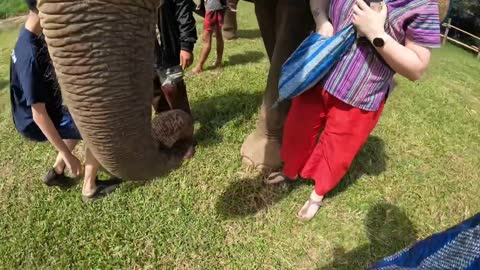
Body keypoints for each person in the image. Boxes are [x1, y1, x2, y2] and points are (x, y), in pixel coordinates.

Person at [266, 0, 441, 221]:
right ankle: (289, 171)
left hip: (361, 94)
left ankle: (317, 194)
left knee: (337, 151)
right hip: (319, 73)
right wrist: (321, 21)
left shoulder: (422, 6)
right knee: (296, 132)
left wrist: (375, 33)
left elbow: (416, 69)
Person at [9, 0, 120, 202]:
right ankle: (89, 188)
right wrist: (68, 155)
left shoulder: (28, 38)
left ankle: (56, 172)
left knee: (78, 118)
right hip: (34, 121)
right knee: (97, 125)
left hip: (33, 114)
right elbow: (39, 114)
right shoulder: (31, 55)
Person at [192, 0, 227, 74]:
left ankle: (199, 66)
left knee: (206, 38)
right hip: (220, 6)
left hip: (212, 6)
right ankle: (218, 62)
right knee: (218, 34)